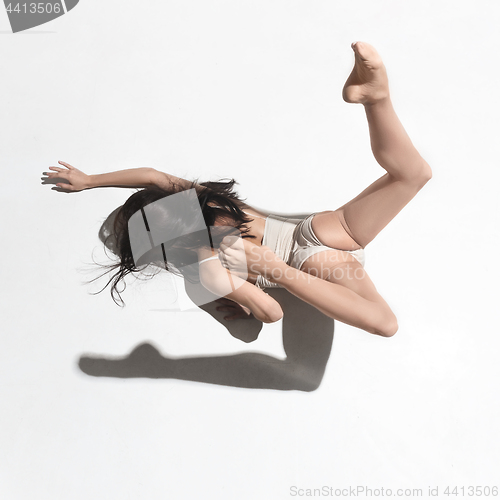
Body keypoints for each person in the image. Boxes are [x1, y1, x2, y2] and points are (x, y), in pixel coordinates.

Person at [43, 42, 431, 338]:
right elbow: (153, 176)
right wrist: (91, 181)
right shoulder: (207, 212)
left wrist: (249, 299)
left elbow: (267, 317)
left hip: (311, 259)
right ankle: (377, 99)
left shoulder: (205, 265)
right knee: (412, 176)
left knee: (385, 321)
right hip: (319, 238)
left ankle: (375, 96)